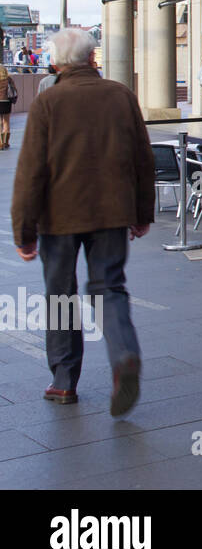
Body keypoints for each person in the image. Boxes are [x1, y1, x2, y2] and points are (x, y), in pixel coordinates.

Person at [11, 29, 150, 416]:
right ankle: (124, 354)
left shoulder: (49, 101)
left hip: (59, 217)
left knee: (60, 294)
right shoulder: (121, 96)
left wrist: (24, 232)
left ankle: (63, 381)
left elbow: (30, 171)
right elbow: (143, 158)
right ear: (93, 59)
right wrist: (142, 214)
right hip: (112, 212)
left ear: (55, 63)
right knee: (109, 287)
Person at [0, 61, 13, 149]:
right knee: (6, 122)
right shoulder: (9, 79)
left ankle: (0, 143)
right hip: (6, 102)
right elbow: (14, 90)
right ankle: (6, 142)